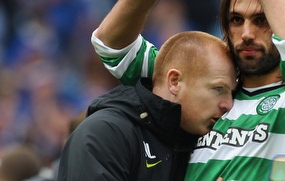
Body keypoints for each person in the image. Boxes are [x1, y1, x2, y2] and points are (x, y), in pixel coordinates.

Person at [91, 0, 285, 180]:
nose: (246, 34)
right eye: (236, 20)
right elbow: (112, 46)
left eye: (262, 20)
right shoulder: (199, 87)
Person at [57, 31, 237, 180]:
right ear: (174, 81)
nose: (228, 104)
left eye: (231, 93)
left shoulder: (198, 145)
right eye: (218, 89)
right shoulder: (104, 134)